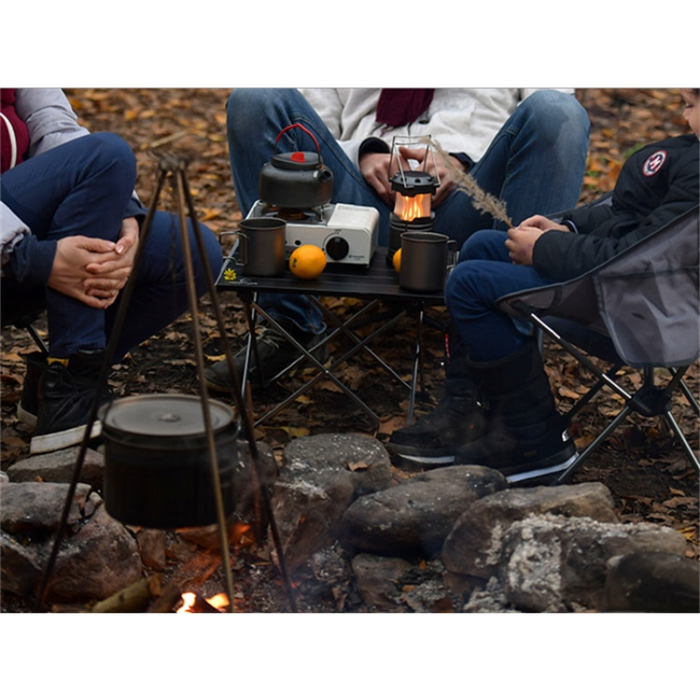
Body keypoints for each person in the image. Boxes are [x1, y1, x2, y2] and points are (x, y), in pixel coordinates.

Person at [387, 88, 700, 483]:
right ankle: (469, 411)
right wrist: (566, 227)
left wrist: (548, 248)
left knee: (469, 282)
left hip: (642, 312)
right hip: (626, 290)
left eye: (690, 105)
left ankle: (533, 440)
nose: (684, 118)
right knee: (485, 244)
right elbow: (624, 217)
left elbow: (642, 254)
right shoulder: (686, 154)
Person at [204, 88, 590, 392]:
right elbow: (310, 122)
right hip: (359, 195)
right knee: (254, 100)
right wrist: (364, 153)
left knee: (558, 112)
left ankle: (509, 350)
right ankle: (288, 325)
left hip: (471, 199)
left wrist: (463, 161)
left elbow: (551, 105)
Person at [1, 88, 224, 454]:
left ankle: (55, 385)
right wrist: (31, 257)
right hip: (15, 253)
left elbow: (57, 129)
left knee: (192, 252)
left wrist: (123, 217)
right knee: (107, 154)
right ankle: (75, 382)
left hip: (26, 242)